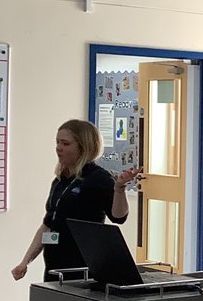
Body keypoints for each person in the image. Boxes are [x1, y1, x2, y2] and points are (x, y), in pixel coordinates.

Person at [11, 119, 141, 281]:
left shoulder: (98, 178)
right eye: (57, 142)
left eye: (65, 144)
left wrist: (119, 188)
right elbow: (48, 225)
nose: (58, 148)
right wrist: (25, 262)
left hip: (83, 267)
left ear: (83, 147)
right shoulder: (60, 180)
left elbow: (119, 216)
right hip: (55, 266)